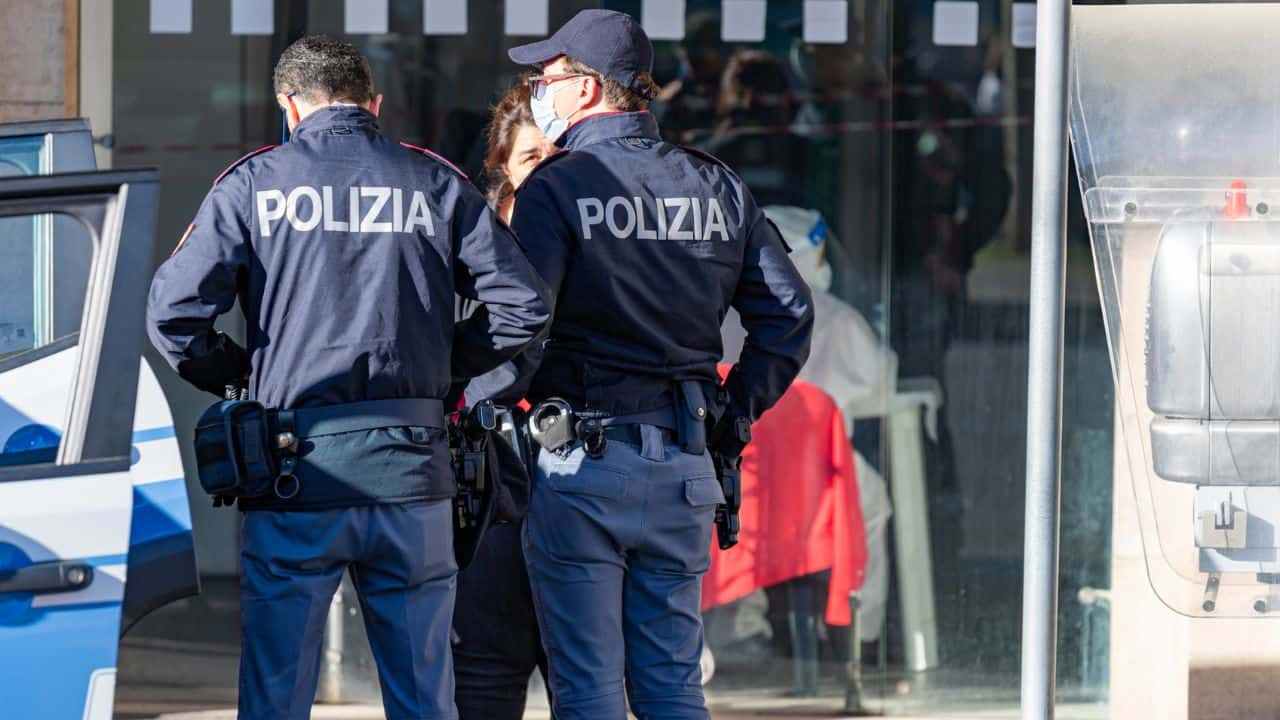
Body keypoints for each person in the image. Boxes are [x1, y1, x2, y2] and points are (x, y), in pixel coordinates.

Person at [146, 35, 550, 720]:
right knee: (425, 696)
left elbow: (173, 317)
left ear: (289, 106)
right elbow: (525, 306)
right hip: (413, 475)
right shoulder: (432, 182)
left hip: (293, 473)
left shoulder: (253, 183)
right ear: (375, 103)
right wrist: (446, 368)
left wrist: (244, 375)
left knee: (276, 696)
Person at [505, 10, 815, 719]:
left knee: (587, 688)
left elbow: (521, 320)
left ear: (585, 89)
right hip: (682, 463)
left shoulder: (559, 187)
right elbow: (788, 315)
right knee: (674, 685)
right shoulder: (716, 184)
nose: (537, 92)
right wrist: (731, 418)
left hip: (583, 463)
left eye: (545, 79)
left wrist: (482, 400)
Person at [452, 78, 557, 720]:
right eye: (531, 159)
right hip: (491, 492)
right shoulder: (469, 256)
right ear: (501, 175)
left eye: (558, 158)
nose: (547, 175)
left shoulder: (612, 254)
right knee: (484, 685)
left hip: (586, 493)